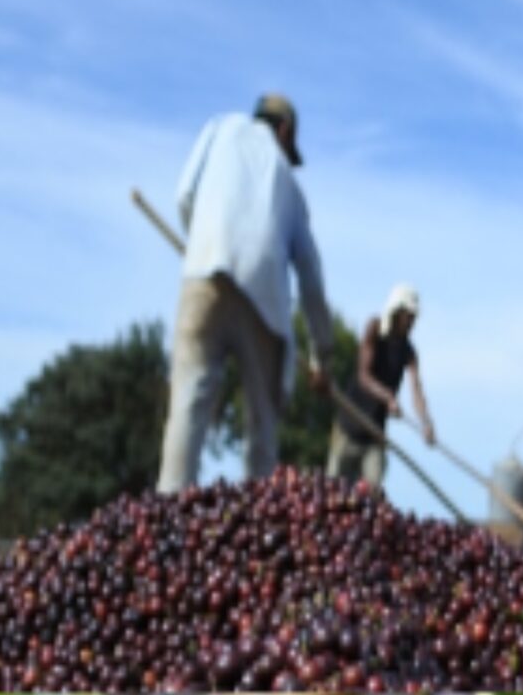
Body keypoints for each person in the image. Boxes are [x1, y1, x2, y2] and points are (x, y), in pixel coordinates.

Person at [156, 93, 333, 493]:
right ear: (285, 130)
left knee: (188, 403)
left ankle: (166, 506)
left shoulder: (219, 128)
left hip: (204, 272)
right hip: (265, 297)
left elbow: (184, 196)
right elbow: (311, 278)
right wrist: (322, 356)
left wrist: (200, 243)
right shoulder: (288, 183)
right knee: (262, 427)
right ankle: (260, 526)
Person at [326, 284, 436, 487]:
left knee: (373, 494)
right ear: (397, 312)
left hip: (375, 434)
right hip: (349, 426)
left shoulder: (409, 352)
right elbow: (363, 376)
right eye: (409, 316)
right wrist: (388, 397)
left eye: (414, 317)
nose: (412, 322)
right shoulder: (374, 329)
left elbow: (417, 391)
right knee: (332, 487)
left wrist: (426, 423)